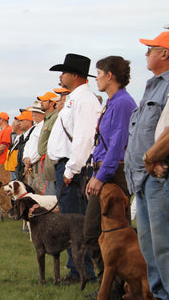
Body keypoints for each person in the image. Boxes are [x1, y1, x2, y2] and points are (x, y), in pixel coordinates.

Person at [79, 56, 136, 298]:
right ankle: (115, 286)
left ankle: (114, 288)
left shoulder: (122, 103)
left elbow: (118, 144)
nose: (97, 78)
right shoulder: (113, 102)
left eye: (99, 73)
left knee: (103, 233)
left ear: (110, 76)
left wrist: (101, 176)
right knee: (99, 233)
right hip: (105, 170)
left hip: (114, 173)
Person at [48, 53, 101, 284]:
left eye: (64, 72)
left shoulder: (84, 100)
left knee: (76, 222)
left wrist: (71, 170)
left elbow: (83, 138)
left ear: (76, 75)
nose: (61, 76)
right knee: (72, 222)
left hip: (73, 169)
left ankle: (83, 271)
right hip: (67, 166)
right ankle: (77, 269)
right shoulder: (75, 98)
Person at [125, 31, 169, 300]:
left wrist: (151, 157)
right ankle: (159, 293)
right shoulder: (153, 85)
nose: (146, 53)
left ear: (165, 53)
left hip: (157, 176)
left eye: (151, 49)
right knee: (149, 246)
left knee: (164, 246)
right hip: (142, 177)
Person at [37, 92, 59, 195]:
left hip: (52, 160)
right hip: (46, 160)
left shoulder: (55, 117)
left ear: (52, 103)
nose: (41, 103)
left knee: (52, 193)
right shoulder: (47, 118)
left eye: (44, 101)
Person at [23, 102, 46, 194]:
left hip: (37, 162)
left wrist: (30, 160)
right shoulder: (35, 128)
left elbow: (41, 147)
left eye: (35, 113)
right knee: (32, 188)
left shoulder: (44, 126)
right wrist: (25, 158)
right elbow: (28, 145)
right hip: (30, 163)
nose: (33, 115)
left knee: (40, 188)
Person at [15, 111, 35, 182]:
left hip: (30, 171)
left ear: (29, 121)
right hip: (22, 172)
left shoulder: (33, 134)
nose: (19, 123)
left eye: (21, 120)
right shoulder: (22, 137)